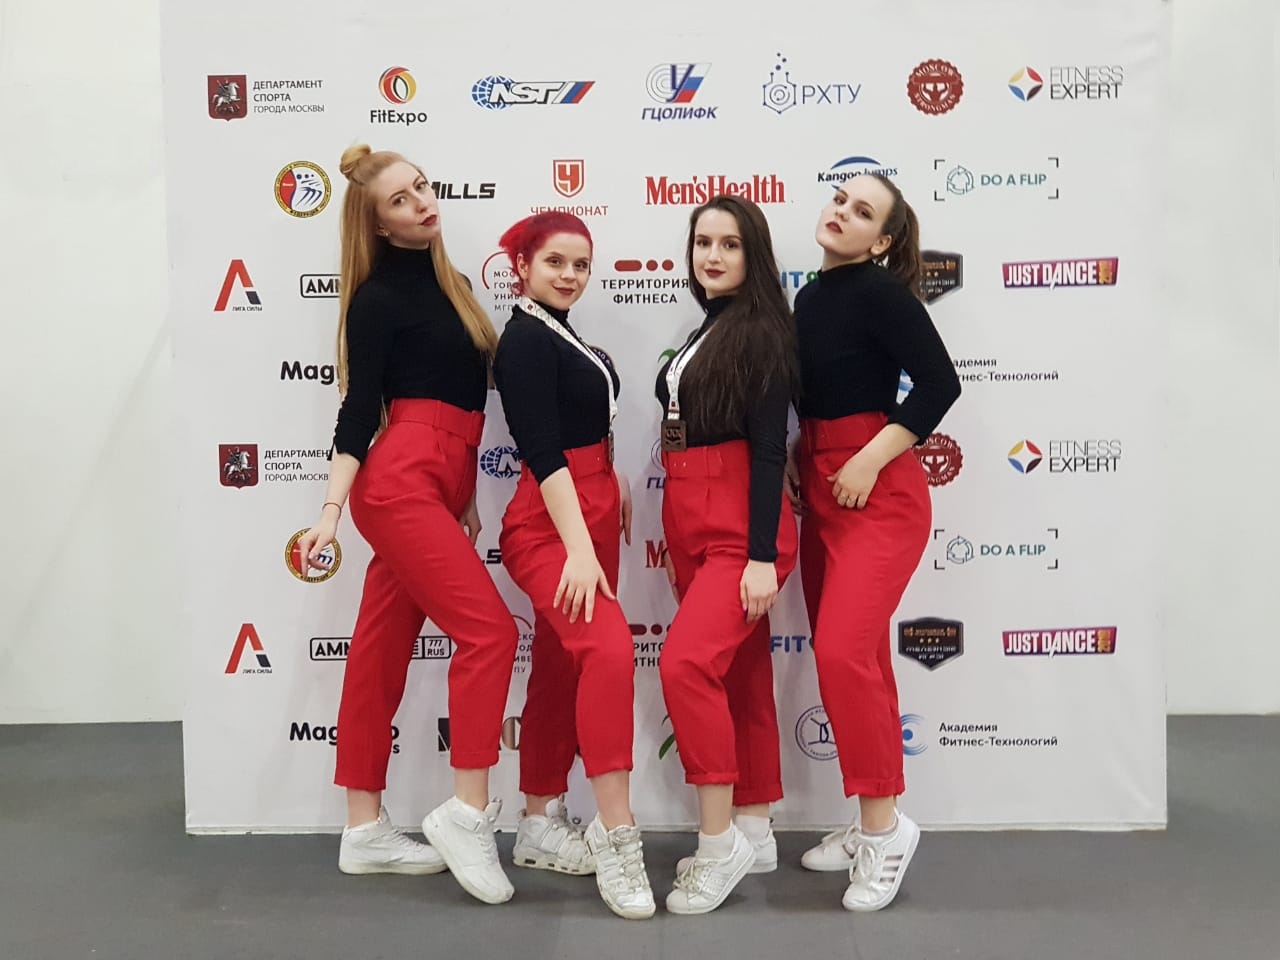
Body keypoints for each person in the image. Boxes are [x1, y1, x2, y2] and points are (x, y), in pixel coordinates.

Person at [294, 145, 519, 906]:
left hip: (444, 479)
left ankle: (363, 829)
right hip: (397, 482)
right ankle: (467, 813)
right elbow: (360, 410)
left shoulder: (454, 286)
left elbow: (465, 402)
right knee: (490, 633)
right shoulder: (376, 300)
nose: (422, 202)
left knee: (380, 647)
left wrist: (467, 494)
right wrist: (330, 513)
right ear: (379, 226)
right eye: (400, 200)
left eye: (420, 186)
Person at [790, 173, 961, 911]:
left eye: (862, 212)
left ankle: (886, 832)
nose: (841, 213)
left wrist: (866, 459)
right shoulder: (809, 298)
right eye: (839, 200)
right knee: (855, 661)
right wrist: (800, 459)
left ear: (881, 240)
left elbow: (940, 384)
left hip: (878, 492)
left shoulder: (883, 293)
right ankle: (871, 818)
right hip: (822, 485)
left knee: (841, 652)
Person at [492, 212, 656, 921]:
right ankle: (618, 835)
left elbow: (582, 427)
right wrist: (581, 549)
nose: (570, 274)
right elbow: (542, 449)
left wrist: (610, 477)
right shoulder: (525, 339)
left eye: (581, 264)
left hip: (590, 506)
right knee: (610, 650)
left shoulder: (559, 331)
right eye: (555, 261)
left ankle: (538, 819)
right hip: (550, 525)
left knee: (561, 665)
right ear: (522, 267)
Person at [654, 195, 799, 915]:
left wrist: (762, 554)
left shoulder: (763, 331)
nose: (712, 255)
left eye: (730, 244)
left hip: (740, 523)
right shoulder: (708, 326)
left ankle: (718, 845)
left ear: (754, 255)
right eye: (702, 241)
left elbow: (770, 450)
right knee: (739, 670)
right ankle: (756, 823)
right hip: (689, 515)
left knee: (685, 664)